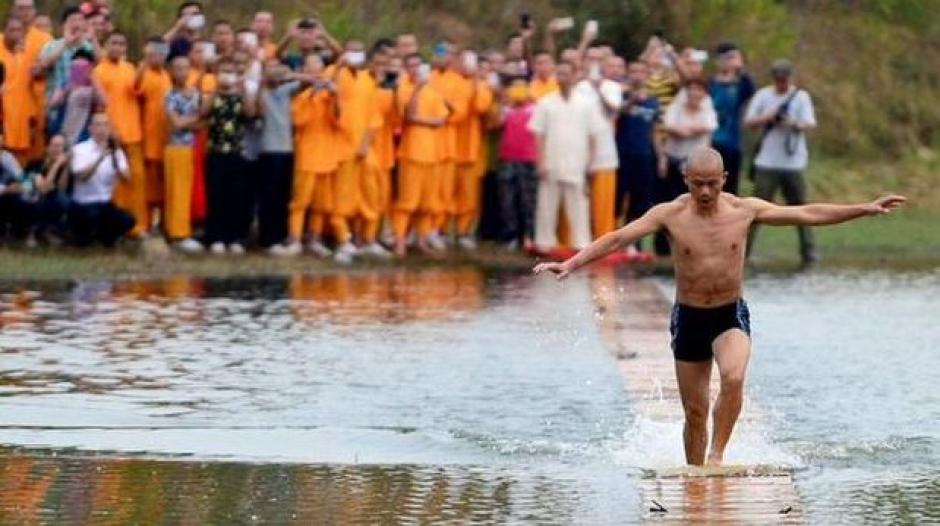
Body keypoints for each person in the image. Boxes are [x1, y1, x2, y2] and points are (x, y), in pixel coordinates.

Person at [534, 147, 907, 466]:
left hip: (729, 314)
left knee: (733, 377)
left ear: (725, 178)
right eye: (698, 183)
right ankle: (696, 478)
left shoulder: (744, 210)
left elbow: (807, 213)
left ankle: (717, 458)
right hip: (689, 317)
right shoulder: (670, 214)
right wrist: (570, 263)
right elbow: (618, 237)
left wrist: (865, 208)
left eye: (713, 182)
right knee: (694, 413)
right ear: (686, 179)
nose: (706, 191)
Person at [744, 59, 818, 265]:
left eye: (784, 79)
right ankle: (743, 251)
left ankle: (808, 252)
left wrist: (793, 123)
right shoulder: (763, 95)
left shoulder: (801, 97)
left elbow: (810, 124)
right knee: (756, 210)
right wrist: (766, 118)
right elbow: (749, 122)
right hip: (767, 162)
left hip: (793, 163)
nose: (781, 83)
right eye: (778, 79)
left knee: (801, 209)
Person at [528, 62, 604, 253]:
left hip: (577, 162)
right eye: (559, 74)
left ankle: (581, 244)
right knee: (546, 204)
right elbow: (539, 134)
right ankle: (544, 243)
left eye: (566, 74)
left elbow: (594, 135)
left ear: (574, 76)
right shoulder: (546, 102)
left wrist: (591, 162)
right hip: (551, 161)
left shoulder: (586, 104)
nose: (562, 78)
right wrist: (541, 161)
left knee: (578, 205)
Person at [282, 53, 340, 258]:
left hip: (326, 154)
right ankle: (295, 238)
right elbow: (299, 121)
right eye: (311, 68)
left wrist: (335, 95)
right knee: (300, 201)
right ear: (305, 72)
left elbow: (338, 120)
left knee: (322, 203)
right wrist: (312, 95)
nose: (316, 72)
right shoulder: (300, 96)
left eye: (319, 68)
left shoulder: (329, 95)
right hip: (307, 154)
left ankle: (315, 238)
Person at [392, 53, 448, 257]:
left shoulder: (433, 92)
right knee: (407, 201)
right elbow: (408, 116)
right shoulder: (404, 89)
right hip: (411, 153)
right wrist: (417, 90)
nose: (416, 69)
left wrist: (420, 120)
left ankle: (422, 241)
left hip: (432, 154)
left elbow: (441, 120)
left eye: (418, 65)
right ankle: (399, 241)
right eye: (411, 66)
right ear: (407, 69)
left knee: (427, 203)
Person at [93, 30, 147, 237]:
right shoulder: (99, 71)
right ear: (106, 46)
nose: (117, 47)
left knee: (136, 180)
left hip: (132, 134)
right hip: (110, 137)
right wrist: (109, 131)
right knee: (113, 184)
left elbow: (137, 92)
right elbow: (99, 106)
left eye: (121, 44)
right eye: (113, 43)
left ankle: (138, 226)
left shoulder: (130, 68)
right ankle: (114, 228)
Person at [199, 56, 256, 254]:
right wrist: (216, 89)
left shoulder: (240, 96)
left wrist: (243, 88)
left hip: (236, 153)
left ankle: (235, 238)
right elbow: (203, 113)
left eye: (231, 72)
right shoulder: (212, 96)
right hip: (215, 152)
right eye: (224, 72)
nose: (227, 75)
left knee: (236, 197)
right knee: (216, 196)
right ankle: (216, 237)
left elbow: (250, 114)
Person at [657, 78, 717, 255]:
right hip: (673, 158)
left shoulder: (707, 108)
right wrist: (688, 130)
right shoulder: (677, 107)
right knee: (668, 203)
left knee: (694, 204)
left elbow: (708, 126)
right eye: (691, 89)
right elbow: (669, 126)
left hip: (696, 164)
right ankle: (663, 249)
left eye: (698, 89)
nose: (694, 93)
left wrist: (685, 129)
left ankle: (694, 245)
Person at [68, 112, 135, 247]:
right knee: (88, 222)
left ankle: (104, 237)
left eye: (105, 125)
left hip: (105, 203)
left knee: (128, 220)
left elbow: (127, 179)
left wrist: (116, 157)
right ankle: (85, 235)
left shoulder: (116, 151)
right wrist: (100, 157)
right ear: (90, 128)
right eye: (98, 125)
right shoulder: (80, 149)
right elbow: (82, 177)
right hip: (83, 204)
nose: (102, 129)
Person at [256, 60, 303, 252]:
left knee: (283, 195)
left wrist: (291, 75)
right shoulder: (261, 92)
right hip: (268, 149)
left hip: (287, 149)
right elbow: (257, 112)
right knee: (269, 195)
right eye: (270, 70)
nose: (274, 73)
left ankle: (281, 235)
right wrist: (262, 84)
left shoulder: (286, 90)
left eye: (277, 69)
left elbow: (312, 80)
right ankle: (268, 238)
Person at [615, 61, 659, 251]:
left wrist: (661, 155)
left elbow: (654, 130)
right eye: (633, 70)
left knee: (641, 200)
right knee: (618, 197)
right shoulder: (620, 96)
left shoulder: (653, 100)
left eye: (641, 71)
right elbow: (618, 112)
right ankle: (614, 238)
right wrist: (632, 100)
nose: (637, 74)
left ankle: (635, 241)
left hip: (644, 155)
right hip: (622, 154)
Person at [162, 54, 202, 253]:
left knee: (188, 193)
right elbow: (175, 124)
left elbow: (203, 122)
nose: (182, 72)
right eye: (178, 68)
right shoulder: (170, 95)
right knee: (177, 191)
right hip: (176, 148)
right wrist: (193, 120)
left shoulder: (195, 93)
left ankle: (185, 228)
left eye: (186, 68)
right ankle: (178, 233)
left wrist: (189, 121)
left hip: (192, 147)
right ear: (171, 71)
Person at [135, 36, 173, 233]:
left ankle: (161, 222)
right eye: (153, 53)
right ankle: (147, 222)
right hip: (148, 137)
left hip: (166, 138)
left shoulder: (166, 75)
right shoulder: (144, 73)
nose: (158, 57)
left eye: (161, 53)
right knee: (148, 185)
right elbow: (135, 88)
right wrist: (144, 62)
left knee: (162, 183)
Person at [709, 42, 755, 195]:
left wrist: (739, 68)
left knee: (730, 189)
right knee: (709, 186)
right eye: (727, 58)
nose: (730, 62)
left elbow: (751, 92)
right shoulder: (710, 83)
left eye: (733, 57)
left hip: (732, 144)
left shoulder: (741, 84)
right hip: (709, 143)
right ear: (718, 60)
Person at [497, 80, 538, 251]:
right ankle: (511, 236)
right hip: (508, 158)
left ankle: (530, 235)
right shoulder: (506, 110)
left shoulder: (535, 108)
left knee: (528, 200)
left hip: (529, 159)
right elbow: (496, 124)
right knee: (508, 199)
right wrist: (503, 103)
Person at [0, 17, 32, 164]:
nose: (16, 34)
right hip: (3, 121)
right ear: (4, 31)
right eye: (12, 30)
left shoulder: (25, 55)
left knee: (18, 170)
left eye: (19, 30)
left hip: (19, 120)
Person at [0, 131, 38, 241]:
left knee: (29, 197)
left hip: (8, 193)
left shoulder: (7, 157)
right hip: (5, 192)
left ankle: (25, 233)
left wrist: (27, 186)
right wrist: (7, 189)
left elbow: (22, 178)